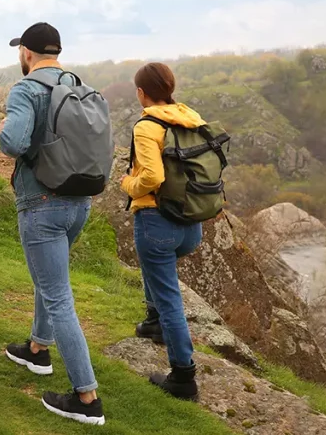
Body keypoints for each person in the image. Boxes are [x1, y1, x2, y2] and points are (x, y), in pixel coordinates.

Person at [0, 22, 105, 426]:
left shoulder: (26, 89)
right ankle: (38, 350)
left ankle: (86, 397)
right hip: (80, 202)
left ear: (26, 52)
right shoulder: (78, 85)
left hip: (41, 203)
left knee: (58, 296)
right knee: (51, 281)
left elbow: (15, 143)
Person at [121, 62, 206, 401]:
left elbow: (153, 177)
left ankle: (183, 377)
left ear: (142, 93)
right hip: (190, 222)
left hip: (158, 221)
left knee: (170, 297)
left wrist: (129, 184)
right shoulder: (189, 117)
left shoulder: (147, 126)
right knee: (156, 273)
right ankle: (154, 322)